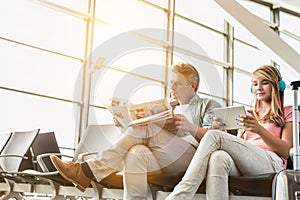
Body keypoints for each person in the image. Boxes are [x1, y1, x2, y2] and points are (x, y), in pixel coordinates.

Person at [49, 63, 221, 199]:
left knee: (146, 129)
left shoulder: (208, 106)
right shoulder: (166, 106)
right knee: (135, 152)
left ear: (193, 86)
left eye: (177, 84)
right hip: (162, 156)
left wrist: (190, 127)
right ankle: (90, 173)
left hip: (190, 158)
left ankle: (86, 171)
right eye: (171, 83)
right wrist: (125, 123)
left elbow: (216, 139)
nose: (172, 88)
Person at [165, 65, 296, 200]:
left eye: (265, 83)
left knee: (214, 136)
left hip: (271, 163)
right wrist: (223, 133)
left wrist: (259, 129)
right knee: (218, 157)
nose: (259, 88)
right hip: (247, 162)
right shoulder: (248, 114)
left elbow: (286, 151)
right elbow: (241, 145)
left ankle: (181, 195)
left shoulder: (288, 111)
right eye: (255, 84)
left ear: (277, 85)